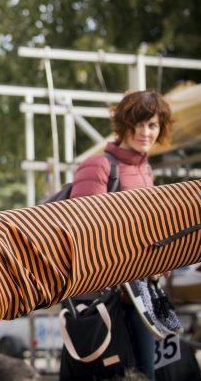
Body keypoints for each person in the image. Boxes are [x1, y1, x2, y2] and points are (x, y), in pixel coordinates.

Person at [69, 89, 173, 380]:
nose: (144, 132)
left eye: (152, 125)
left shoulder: (146, 171)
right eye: (137, 123)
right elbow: (84, 232)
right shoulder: (98, 165)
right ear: (123, 124)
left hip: (140, 296)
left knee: (145, 374)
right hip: (106, 299)